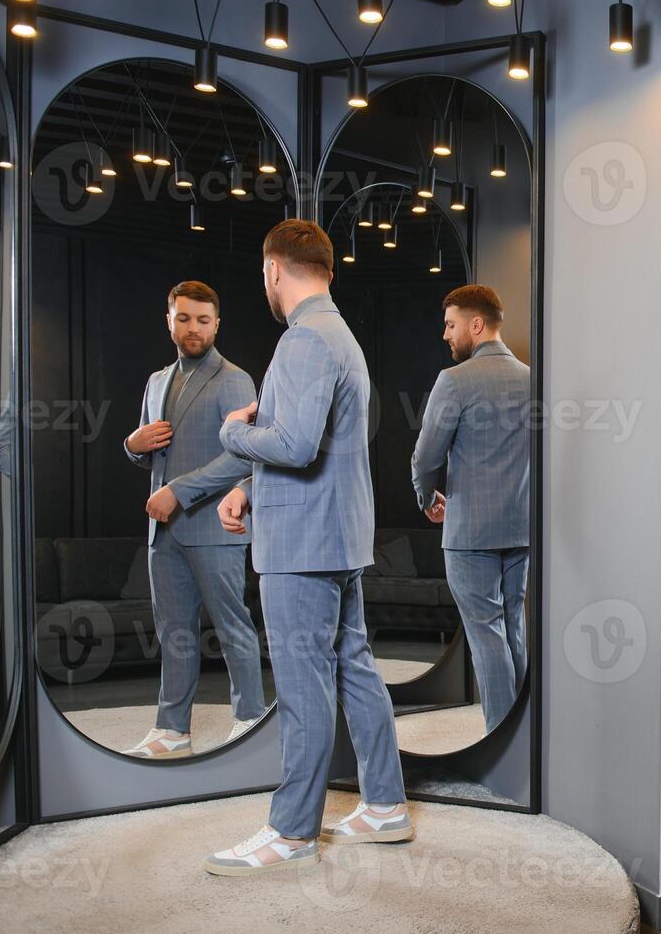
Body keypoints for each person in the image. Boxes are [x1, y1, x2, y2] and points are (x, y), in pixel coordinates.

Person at [205, 220, 408, 877]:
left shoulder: (303, 340)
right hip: (337, 534)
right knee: (353, 664)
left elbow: (292, 446)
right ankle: (383, 807)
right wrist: (247, 487)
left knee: (302, 686)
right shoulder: (338, 335)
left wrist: (233, 437)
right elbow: (308, 438)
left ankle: (291, 830)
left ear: (273, 270)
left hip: (303, 545)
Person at [123, 281, 264, 760]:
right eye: (184, 318)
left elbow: (241, 459)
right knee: (173, 632)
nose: (194, 328)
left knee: (233, 628)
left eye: (204, 320)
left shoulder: (235, 380)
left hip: (213, 528)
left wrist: (178, 493)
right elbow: (152, 454)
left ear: (217, 324)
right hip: (163, 533)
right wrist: (133, 446)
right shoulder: (156, 381)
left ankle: (249, 722)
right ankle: (172, 729)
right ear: (169, 320)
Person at [411, 285, 530, 733]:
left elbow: (425, 457)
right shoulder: (532, 377)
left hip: (470, 534)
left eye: (451, 324)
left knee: (486, 636)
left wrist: (426, 497)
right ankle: (523, 737)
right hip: (521, 530)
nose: (446, 334)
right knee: (513, 629)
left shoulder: (454, 381)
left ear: (476, 325)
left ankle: (502, 740)